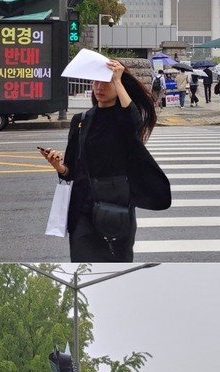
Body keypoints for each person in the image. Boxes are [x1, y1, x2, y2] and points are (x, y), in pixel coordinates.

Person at [40, 60, 171, 262]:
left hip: (116, 207)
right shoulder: (81, 120)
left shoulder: (123, 119)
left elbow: (134, 120)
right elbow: (72, 170)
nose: (99, 87)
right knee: (82, 260)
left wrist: (117, 79)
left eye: (106, 83)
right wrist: (59, 166)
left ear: (118, 86)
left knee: (119, 261)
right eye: (95, 82)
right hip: (82, 208)